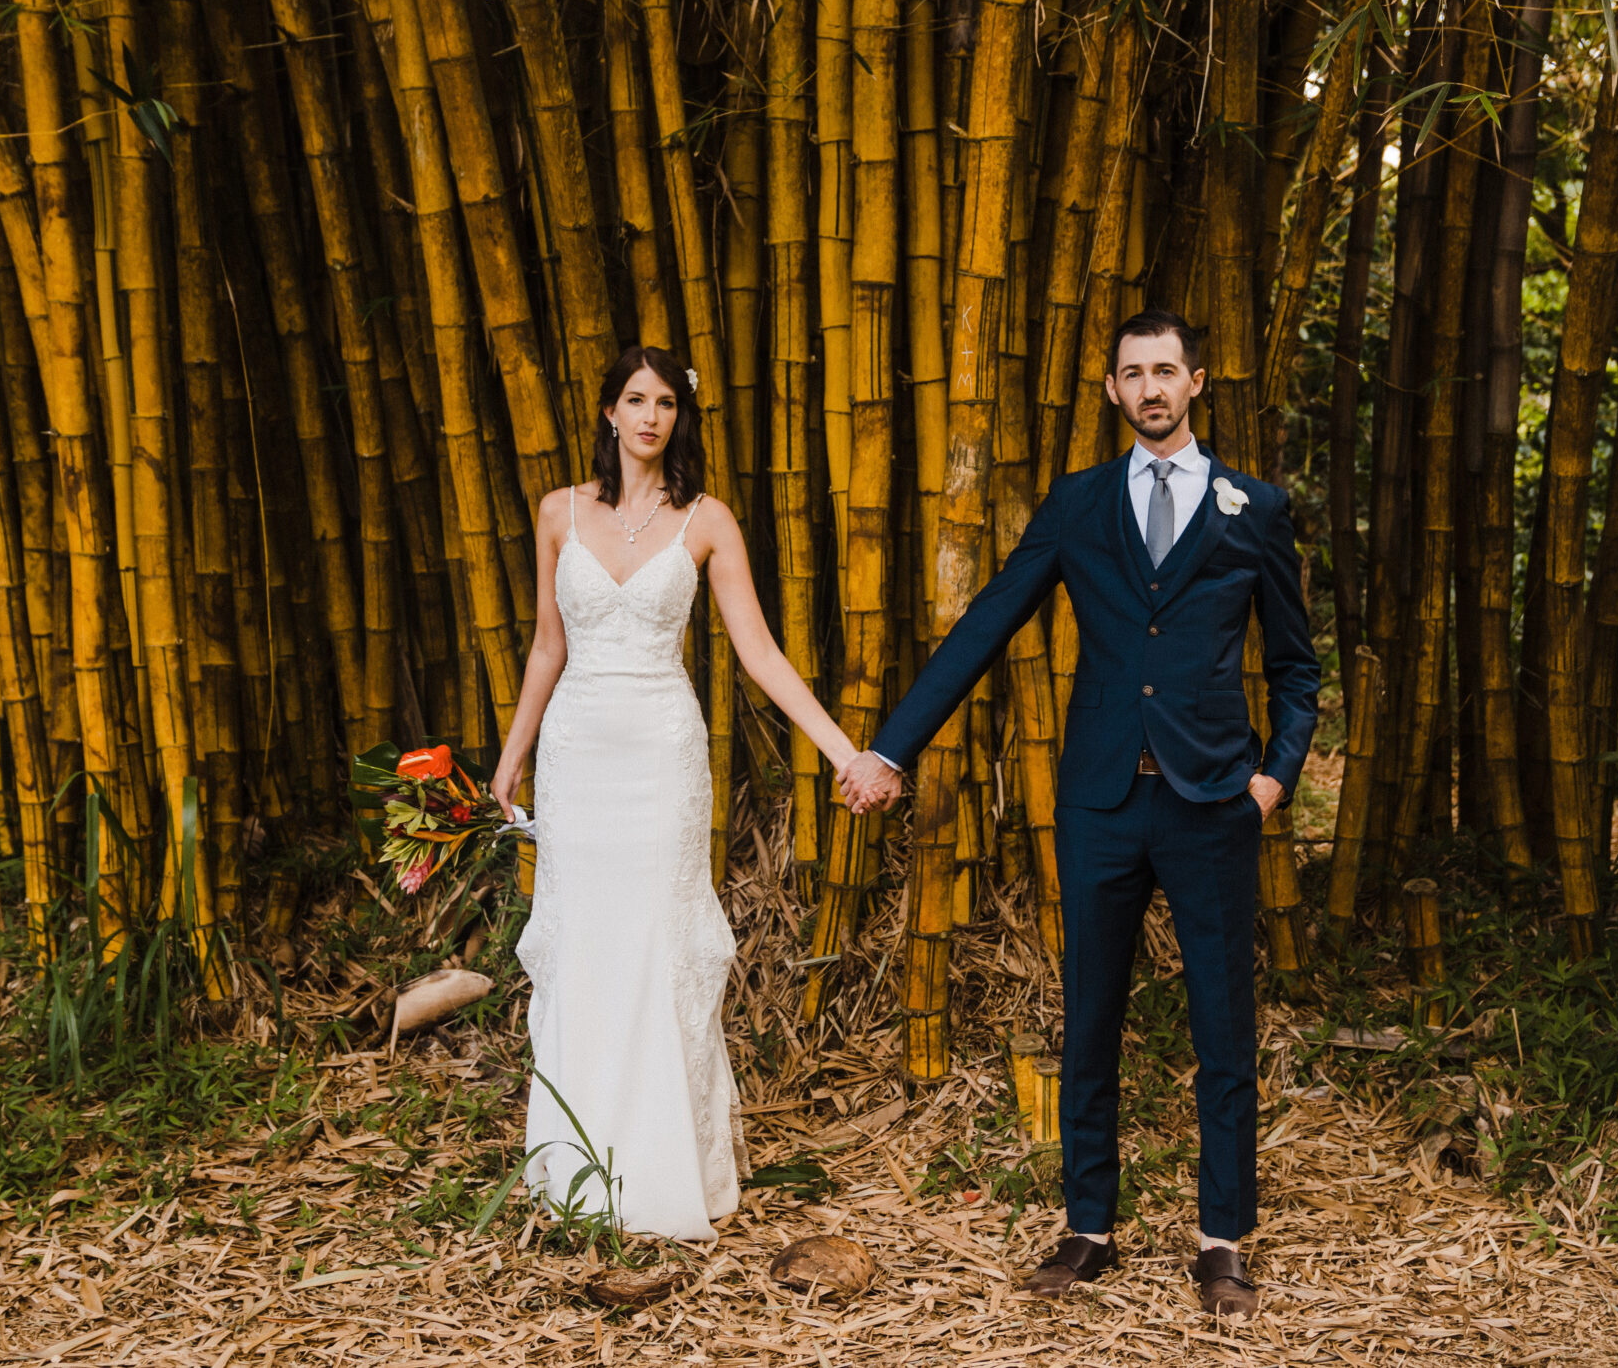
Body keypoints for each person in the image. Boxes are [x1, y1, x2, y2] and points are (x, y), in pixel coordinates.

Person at [839, 310, 1319, 1317]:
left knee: (1222, 1029)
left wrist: (1273, 775)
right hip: (1100, 800)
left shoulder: (1253, 509)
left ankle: (1223, 1240)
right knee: (1090, 1017)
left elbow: (1294, 666)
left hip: (1211, 802)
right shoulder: (1076, 504)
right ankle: (1086, 1228)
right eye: (1132, 373)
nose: (1150, 387)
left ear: (1195, 384)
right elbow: (986, 624)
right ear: (1111, 390)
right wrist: (890, 747)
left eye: (1166, 371)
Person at [490, 346, 862, 1241]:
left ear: (677, 419)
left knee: (658, 943)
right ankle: (578, 1166)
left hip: (662, 755)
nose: (650, 415)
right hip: (578, 755)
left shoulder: (707, 521)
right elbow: (548, 645)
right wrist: (511, 756)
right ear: (609, 413)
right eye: (634, 399)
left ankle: (663, 1171)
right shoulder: (557, 514)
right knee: (585, 945)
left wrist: (845, 748)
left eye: (664, 402)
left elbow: (759, 652)